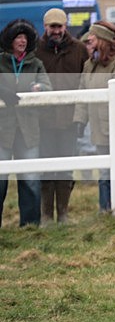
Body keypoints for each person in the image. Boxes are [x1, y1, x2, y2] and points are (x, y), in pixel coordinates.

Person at [73, 22, 115, 218]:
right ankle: (105, 213)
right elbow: (83, 94)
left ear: (102, 40)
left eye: (92, 38)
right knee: (104, 173)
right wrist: (79, 120)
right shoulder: (89, 65)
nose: (88, 42)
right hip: (99, 128)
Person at [35, 8, 89, 225]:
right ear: (45, 27)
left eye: (59, 26)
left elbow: (86, 80)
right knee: (46, 167)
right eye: (52, 27)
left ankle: (64, 213)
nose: (56, 31)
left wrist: (81, 116)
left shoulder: (78, 49)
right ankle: (47, 214)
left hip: (69, 118)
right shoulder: (36, 50)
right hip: (44, 119)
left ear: (65, 26)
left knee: (66, 168)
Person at [0, 19, 52, 227]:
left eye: (24, 38)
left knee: (30, 179)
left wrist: (38, 88)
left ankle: (30, 225)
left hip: (28, 130)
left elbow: (48, 87)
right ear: (10, 40)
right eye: (17, 37)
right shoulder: (0, 61)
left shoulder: (35, 63)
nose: (21, 41)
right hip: (3, 129)